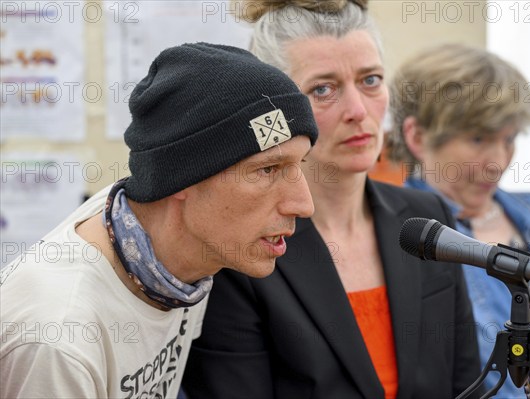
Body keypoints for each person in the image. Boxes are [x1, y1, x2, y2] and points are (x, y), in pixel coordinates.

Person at [182, 2, 482, 398]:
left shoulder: (428, 217)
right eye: (323, 89)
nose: (358, 111)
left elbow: (467, 384)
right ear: (275, 108)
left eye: (371, 80)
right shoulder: (239, 251)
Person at [0, 42, 320, 398]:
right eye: (267, 169)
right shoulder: (59, 339)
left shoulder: (177, 256)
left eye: (299, 164)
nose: (303, 204)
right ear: (181, 178)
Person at [387, 43, 530, 398]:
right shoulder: (406, 242)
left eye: (510, 139)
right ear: (418, 137)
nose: (498, 161)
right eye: (478, 139)